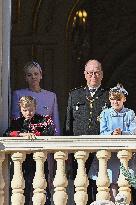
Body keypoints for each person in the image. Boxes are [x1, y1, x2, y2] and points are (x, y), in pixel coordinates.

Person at [64, 59, 110, 204]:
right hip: (79, 148)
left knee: (100, 185)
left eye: (96, 72)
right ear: (85, 74)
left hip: (101, 148)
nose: (93, 76)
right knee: (81, 186)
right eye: (90, 72)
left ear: (102, 74)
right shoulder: (75, 95)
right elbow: (68, 124)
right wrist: (68, 152)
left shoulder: (109, 95)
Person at [4, 96, 55, 205]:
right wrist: (22, 134)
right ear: (20, 110)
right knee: (24, 190)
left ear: (35, 107)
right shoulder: (18, 122)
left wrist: (35, 134)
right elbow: (7, 134)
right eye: (25, 110)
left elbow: (50, 131)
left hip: (39, 161)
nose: (28, 113)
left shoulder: (43, 120)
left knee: (43, 189)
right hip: (23, 162)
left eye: (31, 109)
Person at [89, 83, 136, 203]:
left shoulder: (130, 113)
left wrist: (122, 133)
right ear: (110, 99)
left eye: (118, 99)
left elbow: (133, 131)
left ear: (124, 99)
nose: (116, 102)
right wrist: (111, 133)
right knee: (111, 182)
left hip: (125, 154)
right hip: (110, 154)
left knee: (124, 183)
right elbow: (102, 132)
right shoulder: (105, 113)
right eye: (113, 99)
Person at [11, 61, 60, 135]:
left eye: (36, 74)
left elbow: (55, 122)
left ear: (41, 75)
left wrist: (57, 140)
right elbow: (15, 120)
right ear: (25, 78)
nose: (33, 77)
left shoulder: (51, 96)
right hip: (26, 138)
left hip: (46, 138)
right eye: (29, 75)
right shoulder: (18, 94)